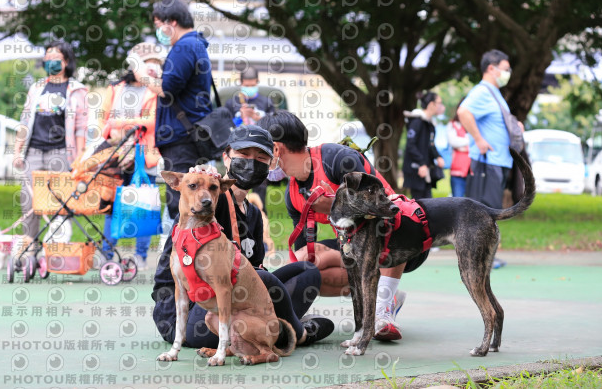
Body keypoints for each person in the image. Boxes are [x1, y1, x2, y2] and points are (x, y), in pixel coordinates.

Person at [152, 125, 334, 348]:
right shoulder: (208, 201)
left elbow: (252, 275)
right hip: (191, 312)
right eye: (243, 155)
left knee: (307, 272)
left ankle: (273, 326)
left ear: (271, 165)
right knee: (261, 277)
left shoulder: (254, 214)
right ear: (226, 158)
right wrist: (197, 181)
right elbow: (167, 274)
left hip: (232, 302)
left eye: (260, 157)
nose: (251, 162)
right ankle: (297, 332)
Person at [257, 111, 430, 341]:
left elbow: (385, 210)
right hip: (359, 248)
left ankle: (383, 309)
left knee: (382, 228)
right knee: (304, 263)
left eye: (261, 152)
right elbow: (302, 264)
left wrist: (335, 208)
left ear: (276, 149)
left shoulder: (338, 159)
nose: (258, 159)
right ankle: (383, 294)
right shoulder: (293, 195)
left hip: (402, 240)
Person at [132, 0, 213, 222]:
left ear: (172, 22)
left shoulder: (184, 47)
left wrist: (143, 77)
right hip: (189, 135)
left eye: (159, 25)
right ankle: (179, 252)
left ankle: (176, 253)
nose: (158, 30)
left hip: (181, 138)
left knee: (180, 204)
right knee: (190, 201)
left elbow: (167, 89)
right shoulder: (195, 45)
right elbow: (177, 84)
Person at [96, 42, 165, 270]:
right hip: (115, 155)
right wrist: (112, 129)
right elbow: (102, 120)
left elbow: (153, 122)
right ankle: (106, 253)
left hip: (144, 157)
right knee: (111, 204)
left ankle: (140, 256)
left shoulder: (156, 92)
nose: (153, 68)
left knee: (144, 206)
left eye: (157, 64)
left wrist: (121, 123)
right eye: (148, 63)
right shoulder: (115, 89)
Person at [13, 40, 88, 239]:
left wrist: (79, 159)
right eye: (47, 58)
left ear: (66, 62)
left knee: (60, 203)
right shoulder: (37, 88)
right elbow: (25, 121)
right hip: (34, 152)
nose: (50, 62)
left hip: (61, 153)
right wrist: (17, 151)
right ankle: (30, 246)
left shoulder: (76, 90)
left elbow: (81, 128)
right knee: (29, 202)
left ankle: (56, 248)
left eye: (55, 58)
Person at [457, 49, 521, 209]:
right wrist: (479, 140)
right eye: (506, 69)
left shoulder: (494, 93)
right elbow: (463, 111)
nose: (508, 73)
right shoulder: (482, 91)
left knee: (491, 212)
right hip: (487, 162)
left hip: (498, 160)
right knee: (482, 214)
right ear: (492, 69)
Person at [224, 66, 276, 215]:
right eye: (246, 86)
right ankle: (233, 211)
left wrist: (257, 118)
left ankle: (259, 214)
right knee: (236, 179)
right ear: (240, 83)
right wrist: (239, 117)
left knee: (260, 183)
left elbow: (274, 125)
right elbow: (225, 125)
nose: (250, 88)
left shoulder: (265, 102)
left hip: (260, 148)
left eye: (253, 85)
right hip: (239, 149)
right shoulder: (232, 102)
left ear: (257, 82)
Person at [402, 92, 446, 200]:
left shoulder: (430, 124)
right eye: (439, 103)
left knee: (427, 201)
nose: (441, 106)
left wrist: (437, 156)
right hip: (416, 169)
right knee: (418, 203)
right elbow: (410, 145)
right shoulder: (417, 121)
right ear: (431, 104)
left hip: (426, 169)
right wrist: (421, 163)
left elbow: (430, 144)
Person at [447, 102, 471, 197]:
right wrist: (471, 141)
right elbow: (454, 142)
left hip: (473, 171)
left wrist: (464, 146)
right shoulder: (453, 124)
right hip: (458, 170)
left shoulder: (476, 125)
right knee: (457, 201)